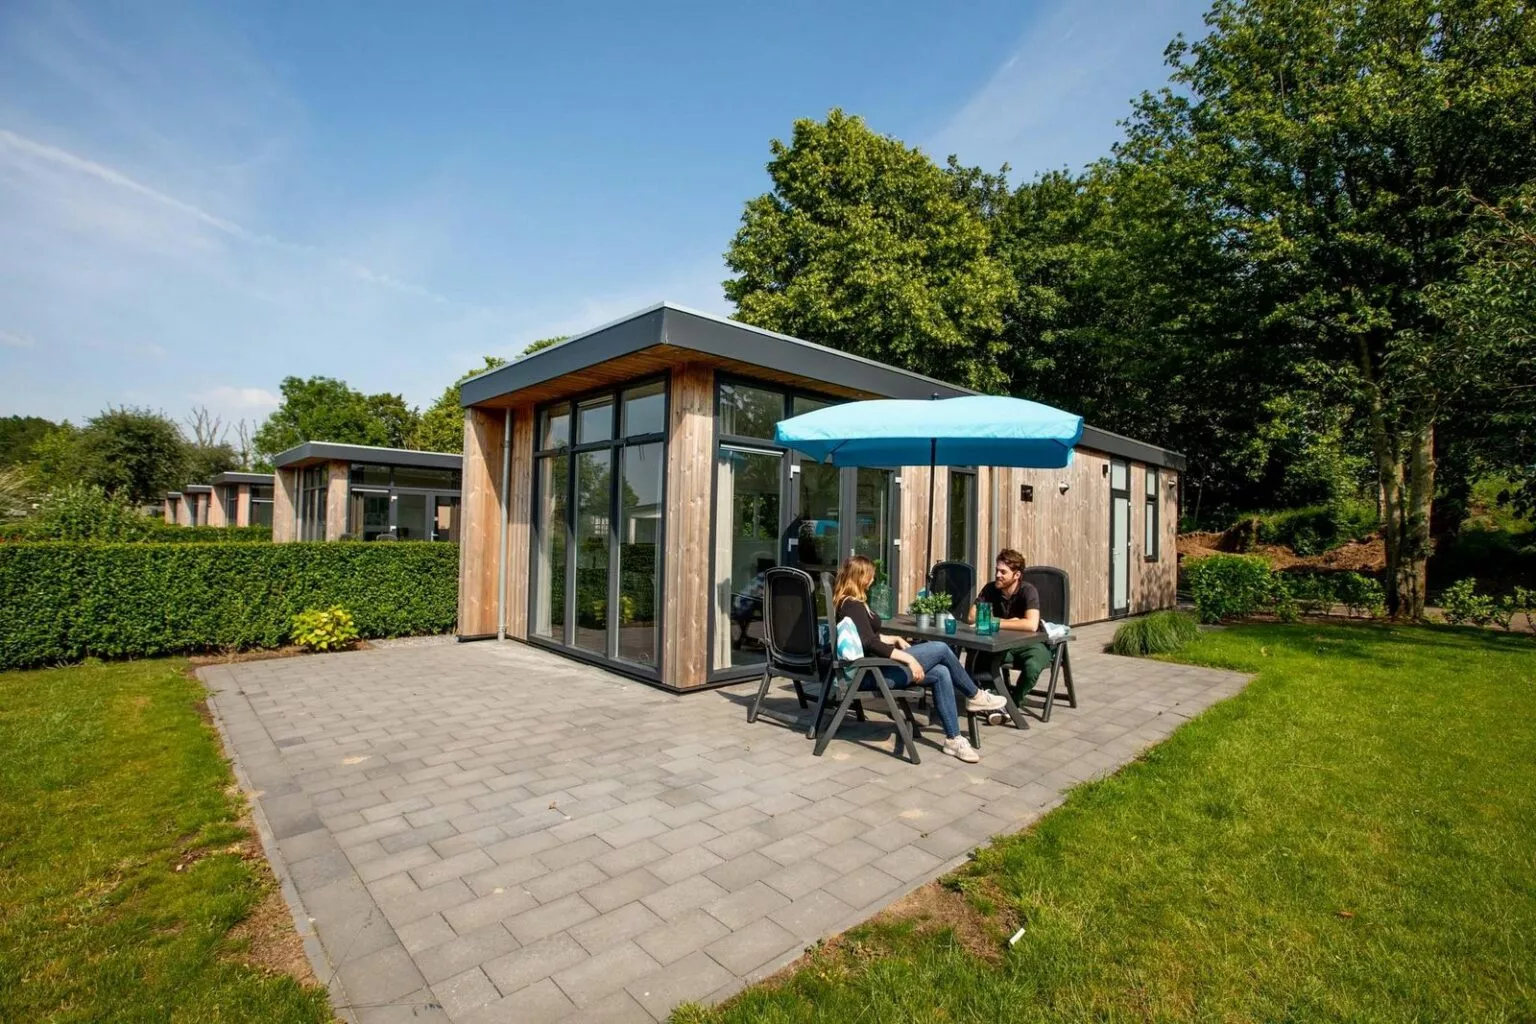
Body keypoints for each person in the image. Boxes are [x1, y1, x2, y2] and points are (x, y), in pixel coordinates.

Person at [833, 555, 1006, 763]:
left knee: (941, 672)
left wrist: (894, 638)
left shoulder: (852, 603)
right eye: (870, 575)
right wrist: (909, 660)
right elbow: (870, 643)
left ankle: (953, 739)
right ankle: (975, 695)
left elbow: (867, 637)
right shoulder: (852, 605)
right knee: (941, 648)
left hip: (874, 669)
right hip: (870, 674)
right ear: (860, 577)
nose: (873, 579)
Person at [968, 548, 1052, 705]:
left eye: (1003, 572)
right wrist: (1013, 622)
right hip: (1002, 644)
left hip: (1030, 643)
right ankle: (993, 699)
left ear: (1017, 575)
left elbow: (1031, 625)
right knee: (980, 656)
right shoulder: (990, 589)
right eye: (997, 570)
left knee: (1032, 666)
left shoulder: (1028, 591)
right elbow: (971, 617)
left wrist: (994, 622)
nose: (997, 575)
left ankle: (1013, 704)